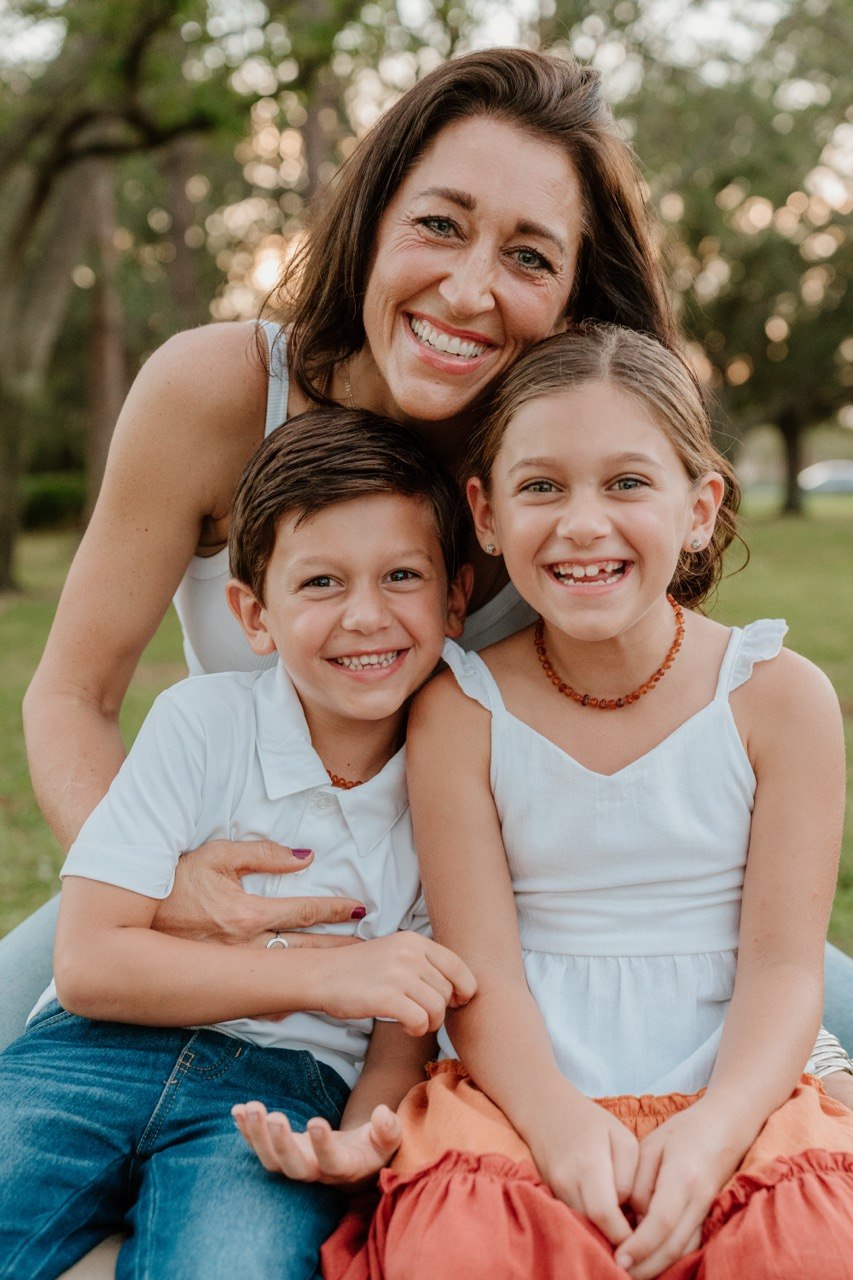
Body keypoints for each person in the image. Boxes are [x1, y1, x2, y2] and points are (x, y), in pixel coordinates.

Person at [242, 327, 853, 1280]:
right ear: (484, 513)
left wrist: (715, 1132)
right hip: (523, 1083)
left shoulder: (779, 698)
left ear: (699, 509)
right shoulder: (461, 710)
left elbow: (782, 968)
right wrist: (556, 1124)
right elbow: (480, 966)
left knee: (806, 1251)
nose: (581, 524)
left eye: (626, 483)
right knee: (462, 1251)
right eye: (541, 487)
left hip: (739, 1084)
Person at [0, 410, 479, 1280]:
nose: (364, 615)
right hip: (90, 1054)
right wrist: (324, 975)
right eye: (321, 582)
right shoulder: (202, 723)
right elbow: (90, 963)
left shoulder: (453, 790)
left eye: (401, 575)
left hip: (287, 1093)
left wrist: (356, 1142)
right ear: (255, 615)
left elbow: (398, 1042)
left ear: (456, 598)